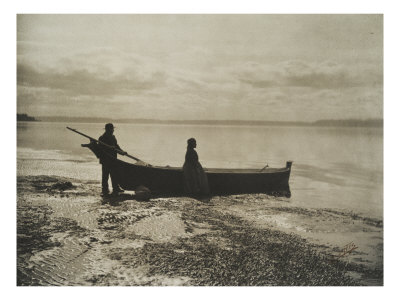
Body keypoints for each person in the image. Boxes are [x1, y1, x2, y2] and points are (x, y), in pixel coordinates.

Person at [98, 123, 126, 195]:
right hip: (105, 160)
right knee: (105, 176)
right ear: (107, 129)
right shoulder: (102, 138)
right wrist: (109, 148)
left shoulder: (113, 137)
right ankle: (105, 190)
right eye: (111, 129)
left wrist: (122, 152)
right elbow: (100, 149)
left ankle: (116, 188)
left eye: (113, 129)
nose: (113, 130)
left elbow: (116, 146)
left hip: (113, 159)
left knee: (114, 174)